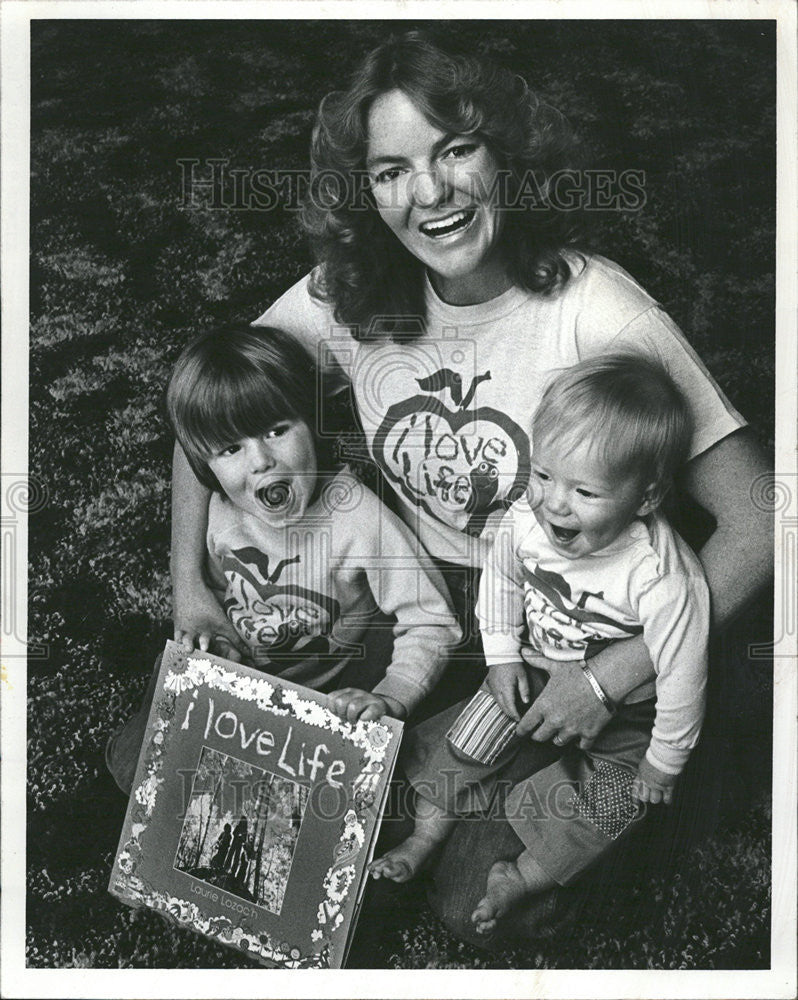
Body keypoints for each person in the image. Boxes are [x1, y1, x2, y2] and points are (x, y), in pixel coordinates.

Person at [170, 33, 772, 944]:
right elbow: (208, 412)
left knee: (467, 904)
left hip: (567, 629)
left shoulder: (599, 309)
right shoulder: (350, 290)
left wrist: (610, 679)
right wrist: (192, 583)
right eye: (390, 170)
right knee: (172, 762)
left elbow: (765, 519)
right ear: (365, 191)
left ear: (506, 157)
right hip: (421, 597)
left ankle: (680, 780)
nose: (429, 194)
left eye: (456, 151)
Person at [370, 354, 709, 937]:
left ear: (647, 498)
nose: (554, 503)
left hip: (632, 713)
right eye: (544, 475)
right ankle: (426, 835)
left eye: (584, 491)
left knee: (609, 802)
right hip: (532, 672)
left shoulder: (659, 574)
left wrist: (665, 760)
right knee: (467, 743)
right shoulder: (525, 523)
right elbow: (499, 582)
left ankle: (523, 874)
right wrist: (501, 656)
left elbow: (684, 672)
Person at [105, 322, 460, 794]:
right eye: (230, 449)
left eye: (276, 430)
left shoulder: (358, 517)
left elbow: (434, 621)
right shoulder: (216, 512)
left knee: (353, 807)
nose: (260, 461)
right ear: (202, 464)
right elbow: (217, 599)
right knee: (134, 769)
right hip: (242, 693)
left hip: (331, 696)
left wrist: (391, 698)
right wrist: (220, 648)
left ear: (312, 424)